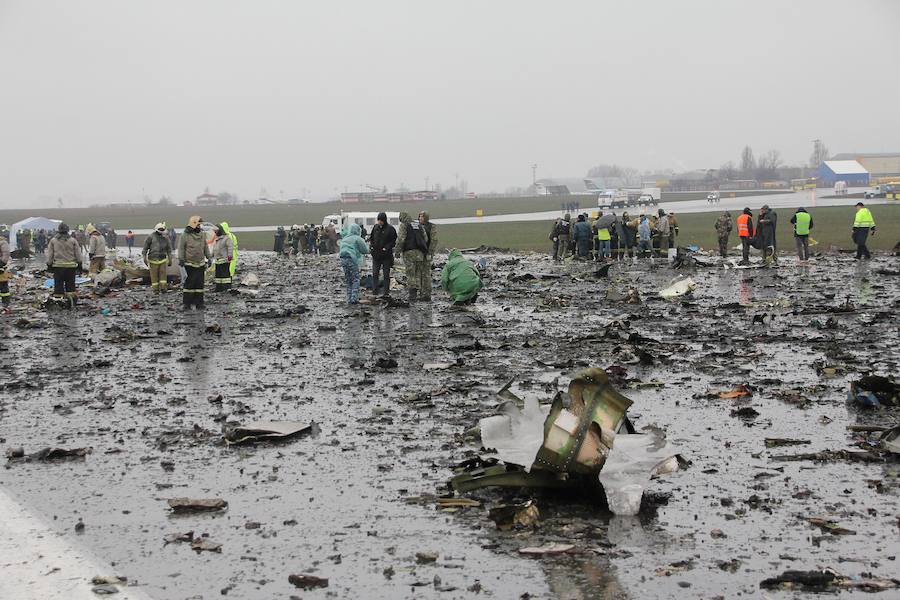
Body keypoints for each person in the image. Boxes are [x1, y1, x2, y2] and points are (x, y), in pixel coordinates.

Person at [395, 211, 429, 303]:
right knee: (418, 273)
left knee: (410, 274)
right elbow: (425, 238)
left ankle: (412, 295)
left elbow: (401, 239)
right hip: (420, 254)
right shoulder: (418, 225)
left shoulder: (404, 225)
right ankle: (418, 293)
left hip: (409, 253)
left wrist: (397, 251)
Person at [46, 222, 83, 307]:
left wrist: (49, 265)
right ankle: (72, 303)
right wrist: (80, 264)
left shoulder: (53, 241)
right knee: (70, 286)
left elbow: (50, 255)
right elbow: (78, 253)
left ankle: (59, 304)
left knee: (58, 286)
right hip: (71, 267)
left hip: (58, 267)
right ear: (67, 230)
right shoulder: (73, 240)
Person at [178, 216, 210, 309]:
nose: (200, 226)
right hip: (189, 263)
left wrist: (209, 257)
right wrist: (181, 259)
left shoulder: (202, 234)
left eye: (200, 225)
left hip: (200, 263)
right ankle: (187, 303)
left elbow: (205, 246)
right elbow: (181, 248)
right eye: (198, 224)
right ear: (193, 224)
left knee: (199, 284)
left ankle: (199, 303)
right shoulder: (185, 235)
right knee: (189, 284)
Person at [338, 223, 369, 304]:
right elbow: (365, 250)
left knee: (348, 280)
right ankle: (354, 298)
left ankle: (348, 298)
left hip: (343, 259)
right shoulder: (357, 238)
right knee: (355, 279)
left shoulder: (345, 238)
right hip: (351, 259)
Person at [369, 212, 397, 298]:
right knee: (375, 273)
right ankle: (375, 291)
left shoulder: (390, 229)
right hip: (376, 255)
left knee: (386, 275)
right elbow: (372, 238)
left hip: (386, 256)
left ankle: (386, 292)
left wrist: (387, 247)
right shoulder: (375, 227)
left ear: (384, 220)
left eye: (381, 220)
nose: (379, 222)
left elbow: (393, 241)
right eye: (378, 220)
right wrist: (372, 247)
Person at [142, 223, 172, 294]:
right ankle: (155, 290)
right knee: (154, 276)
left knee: (163, 275)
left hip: (162, 259)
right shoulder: (150, 237)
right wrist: (144, 257)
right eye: (160, 229)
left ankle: (163, 288)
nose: (161, 231)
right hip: (153, 260)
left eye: (162, 229)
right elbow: (145, 248)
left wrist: (170, 259)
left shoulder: (165, 238)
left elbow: (169, 249)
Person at [419, 211, 438, 300]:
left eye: (422, 217)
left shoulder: (431, 226)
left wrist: (430, 253)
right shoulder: (418, 226)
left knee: (426, 274)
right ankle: (422, 293)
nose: (420, 218)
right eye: (419, 216)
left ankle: (427, 294)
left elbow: (434, 240)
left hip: (427, 253)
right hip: (419, 253)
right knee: (420, 274)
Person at [212, 224, 235, 292]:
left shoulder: (226, 238)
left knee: (225, 275)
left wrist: (230, 256)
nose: (215, 232)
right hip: (218, 260)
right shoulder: (217, 239)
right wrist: (210, 255)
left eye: (216, 231)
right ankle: (219, 288)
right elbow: (215, 249)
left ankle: (226, 287)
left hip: (224, 260)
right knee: (218, 276)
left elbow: (230, 247)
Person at [0, 233, 10, 306]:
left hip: (1, 267)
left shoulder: (3, 242)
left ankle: (5, 302)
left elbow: (6, 254)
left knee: (3, 285)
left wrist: (1, 262)